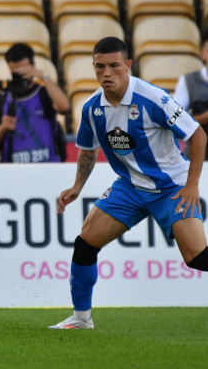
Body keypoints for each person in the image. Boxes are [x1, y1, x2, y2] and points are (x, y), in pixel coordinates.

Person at [50, 37, 208, 330]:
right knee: (85, 243)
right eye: (100, 67)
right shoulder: (92, 108)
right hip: (130, 187)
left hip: (172, 187)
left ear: (128, 65)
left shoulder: (152, 98)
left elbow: (198, 134)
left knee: (197, 257)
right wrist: (77, 187)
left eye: (114, 66)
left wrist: (192, 185)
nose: (106, 73)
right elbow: (87, 150)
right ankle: (81, 318)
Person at [0, 42, 70, 162]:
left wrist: (43, 76)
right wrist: (3, 127)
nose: (21, 75)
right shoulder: (2, 99)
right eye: (15, 72)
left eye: (24, 70)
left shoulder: (44, 93)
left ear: (33, 65)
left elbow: (64, 106)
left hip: (47, 167)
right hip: (14, 170)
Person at [173, 35, 208, 160]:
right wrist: (203, 118)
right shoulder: (188, 81)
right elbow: (176, 120)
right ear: (202, 54)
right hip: (198, 153)